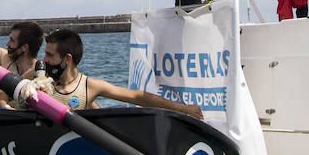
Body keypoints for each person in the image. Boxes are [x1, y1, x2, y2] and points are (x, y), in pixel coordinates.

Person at [13, 29, 203, 119]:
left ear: (67, 59)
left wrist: (183, 109)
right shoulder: (36, 76)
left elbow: (138, 97)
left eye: (49, 55)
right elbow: (1, 97)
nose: (44, 60)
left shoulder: (89, 86)